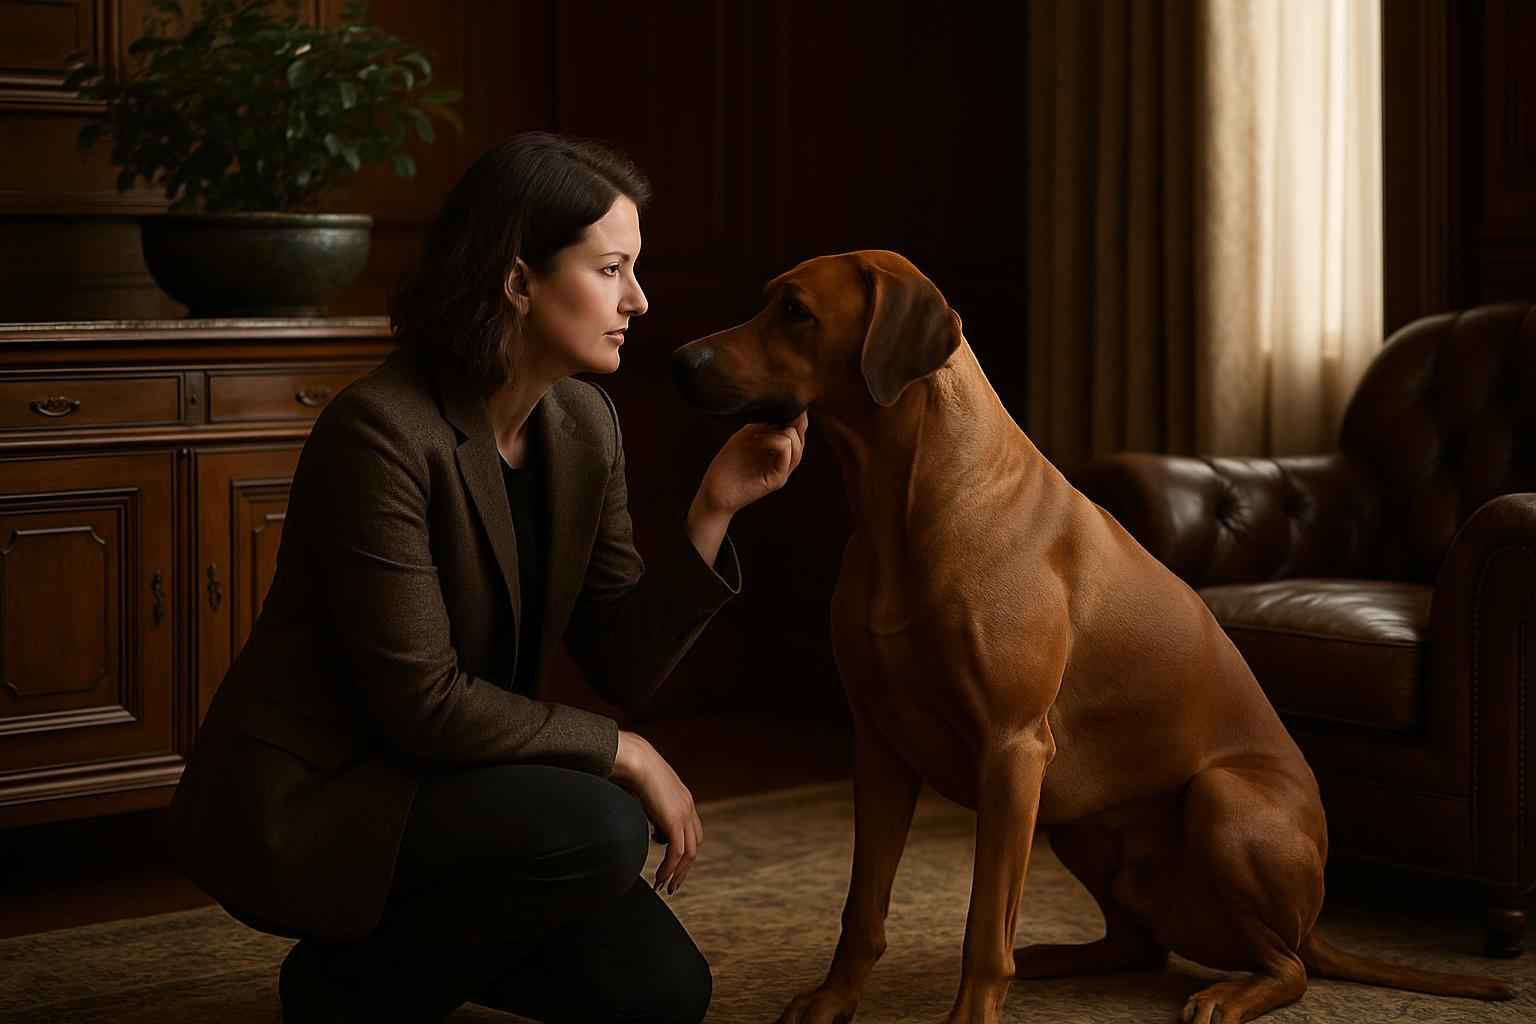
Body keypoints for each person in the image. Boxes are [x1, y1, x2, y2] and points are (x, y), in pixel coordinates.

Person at [167, 131, 808, 1023]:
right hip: (330, 798)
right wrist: (626, 752)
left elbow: (622, 660)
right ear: (517, 282)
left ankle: (369, 966)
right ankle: (343, 991)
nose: (640, 299)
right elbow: (423, 703)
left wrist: (714, 510)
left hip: (457, 786)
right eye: (611, 269)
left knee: (662, 993)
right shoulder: (381, 433)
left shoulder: (584, 426)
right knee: (606, 824)